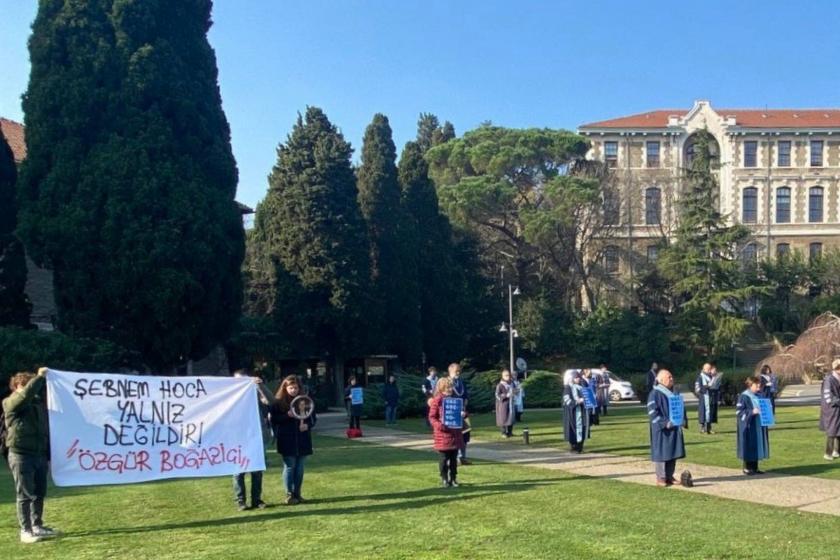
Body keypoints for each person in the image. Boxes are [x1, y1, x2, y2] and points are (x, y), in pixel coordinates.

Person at [3, 367, 58, 543]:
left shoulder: (37, 405)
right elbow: (25, 395)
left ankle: (37, 525)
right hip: (21, 455)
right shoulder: (10, 402)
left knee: (39, 493)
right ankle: (25, 530)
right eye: (26, 384)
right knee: (24, 494)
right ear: (17, 385)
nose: (31, 388)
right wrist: (40, 377)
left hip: (39, 454)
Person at [271, 375, 316, 504]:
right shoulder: (278, 403)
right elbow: (274, 420)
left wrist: (307, 425)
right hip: (287, 439)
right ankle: (289, 494)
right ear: (285, 388)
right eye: (291, 388)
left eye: (295, 388)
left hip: (303, 439)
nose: (293, 390)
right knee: (290, 466)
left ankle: (298, 493)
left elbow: (312, 418)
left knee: (300, 467)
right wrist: (287, 415)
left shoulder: (306, 401)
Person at [232, 369, 272, 511]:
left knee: (257, 469)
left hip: (256, 435)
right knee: (238, 470)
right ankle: (240, 501)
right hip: (237, 436)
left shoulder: (255, 391)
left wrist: (260, 386)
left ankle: (256, 500)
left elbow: (269, 401)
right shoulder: (229, 395)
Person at [647, 369, 686, 487]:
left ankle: (670, 476)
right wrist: (665, 423)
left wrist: (683, 420)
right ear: (661, 380)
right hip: (662, 430)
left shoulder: (674, 393)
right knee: (662, 453)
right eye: (669, 377)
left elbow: (681, 408)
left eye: (672, 377)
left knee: (672, 452)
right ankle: (661, 478)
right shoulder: (655, 394)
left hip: (674, 427)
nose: (671, 379)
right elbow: (653, 413)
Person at [428, 377, 465, 487]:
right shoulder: (437, 400)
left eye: (451, 387)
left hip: (455, 434)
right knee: (444, 459)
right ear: (441, 388)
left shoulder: (455, 400)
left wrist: (464, 414)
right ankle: (444, 478)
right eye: (447, 387)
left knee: (454, 459)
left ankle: (453, 479)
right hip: (443, 435)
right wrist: (440, 426)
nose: (450, 389)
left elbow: (462, 412)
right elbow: (432, 417)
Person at [736, 375, 770, 475]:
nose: (759, 385)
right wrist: (751, 412)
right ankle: (746, 467)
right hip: (749, 425)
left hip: (758, 425)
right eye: (757, 384)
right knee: (748, 445)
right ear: (751, 385)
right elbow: (739, 412)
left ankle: (755, 467)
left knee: (757, 445)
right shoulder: (744, 396)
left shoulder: (759, 395)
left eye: (759, 384)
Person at [448, 363, 471, 464]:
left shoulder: (461, 382)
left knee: (465, 434)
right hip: (453, 413)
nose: (458, 373)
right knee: (454, 436)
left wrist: (464, 407)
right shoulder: (447, 382)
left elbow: (465, 396)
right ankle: (455, 457)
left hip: (463, 412)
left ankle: (463, 457)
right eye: (456, 371)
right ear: (450, 371)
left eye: (459, 371)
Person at [563, 371, 590, 453]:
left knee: (583, 428)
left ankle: (580, 447)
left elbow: (588, 398)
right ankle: (573, 446)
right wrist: (577, 402)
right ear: (572, 378)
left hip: (582, 412)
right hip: (572, 413)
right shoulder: (568, 388)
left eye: (578, 377)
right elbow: (567, 400)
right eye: (576, 377)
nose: (578, 379)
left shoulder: (582, 387)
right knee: (572, 430)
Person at [820, 359, 840, 461]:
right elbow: (828, 396)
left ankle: (837, 451)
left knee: (839, 431)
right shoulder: (829, 379)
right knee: (832, 431)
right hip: (831, 409)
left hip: (838, 408)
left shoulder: (838, 378)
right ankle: (828, 453)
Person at [695, 363, 720, 434]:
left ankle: (709, 428)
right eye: (707, 369)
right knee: (704, 413)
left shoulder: (712, 376)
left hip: (711, 397)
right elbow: (697, 389)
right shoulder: (700, 377)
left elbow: (716, 386)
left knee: (710, 413)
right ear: (704, 369)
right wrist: (707, 386)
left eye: (710, 369)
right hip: (704, 397)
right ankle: (703, 428)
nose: (709, 370)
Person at [495, 369, 515, 438]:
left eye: (509, 375)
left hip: (510, 403)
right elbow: (497, 395)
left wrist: (515, 392)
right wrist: (506, 395)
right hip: (503, 404)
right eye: (506, 375)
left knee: (511, 417)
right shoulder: (500, 385)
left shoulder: (512, 383)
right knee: (503, 418)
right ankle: (503, 432)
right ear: (503, 376)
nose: (508, 377)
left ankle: (510, 432)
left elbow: (515, 390)